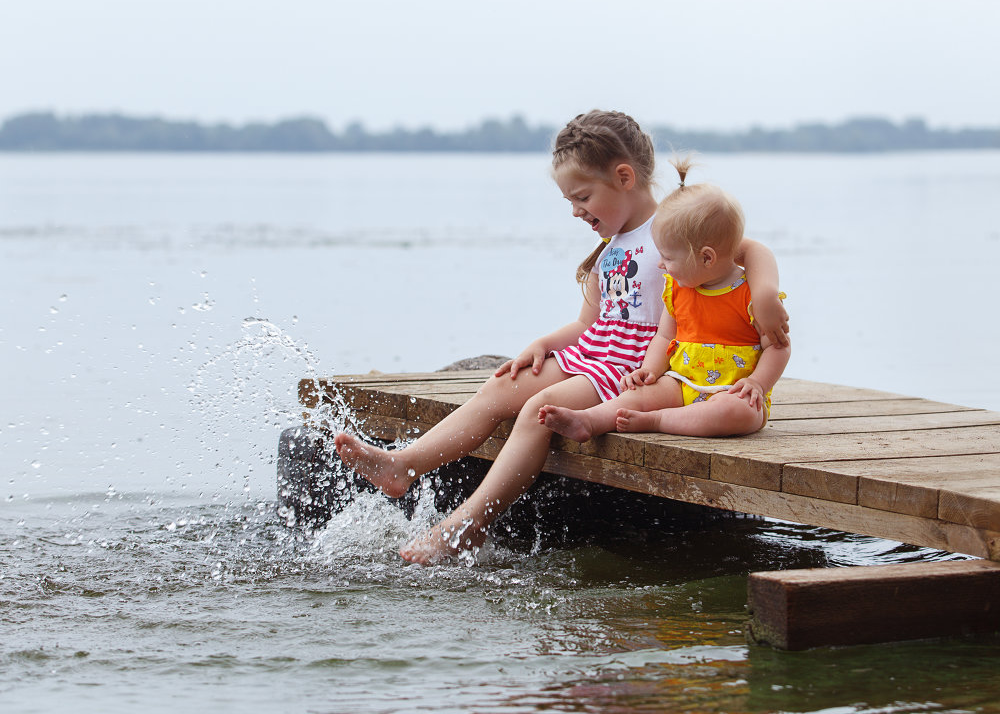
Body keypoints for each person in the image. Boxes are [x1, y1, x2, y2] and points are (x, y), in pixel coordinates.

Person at [334, 111, 788, 564]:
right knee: (499, 387)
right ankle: (403, 466)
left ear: (624, 177)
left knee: (538, 410)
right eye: (569, 200)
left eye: (583, 196)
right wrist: (545, 343)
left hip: (631, 367)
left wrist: (765, 294)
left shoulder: (673, 227)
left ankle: (469, 524)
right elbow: (588, 322)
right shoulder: (610, 250)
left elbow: (747, 248)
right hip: (594, 352)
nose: (575, 210)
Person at [539, 169, 790, 442]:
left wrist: (758, 383)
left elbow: (778, 347)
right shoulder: (677, 290)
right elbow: (664, 336)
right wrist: (650, 369)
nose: (661, 265)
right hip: (680, 382)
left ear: (706, 258)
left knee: (736, 412)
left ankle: (657, 420)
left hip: (732, 391)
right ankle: (590, 419)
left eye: (668, 258)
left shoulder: (748, 294)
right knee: (640, 394)